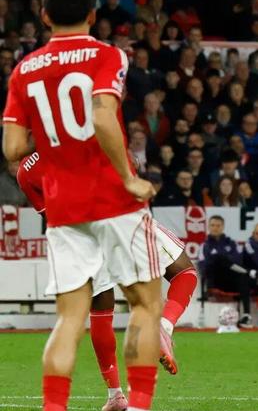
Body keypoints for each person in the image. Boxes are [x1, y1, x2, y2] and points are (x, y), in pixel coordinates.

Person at [2, 0, 171, 411]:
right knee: (145, 304)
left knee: (68, 318)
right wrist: (128, 177)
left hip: (62, 207)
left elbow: (13, 147)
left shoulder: (24, 69)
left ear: (44, 15)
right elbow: (101, 115)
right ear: (94, 15)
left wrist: (51, 144)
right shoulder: (107, 55)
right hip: (111, 200)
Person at [17, 150, 197, 394]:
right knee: (184, 272)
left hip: (83, 237)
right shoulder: (80, 134)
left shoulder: (25, 173)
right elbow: (130, 162)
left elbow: (52, 217)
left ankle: (115, 394)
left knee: (101, 311)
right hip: (122, 217)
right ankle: (164, 326)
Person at [199, 216, 253, 326]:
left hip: (231, 279)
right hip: (215, 281)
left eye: (218, 225)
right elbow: (203, 266)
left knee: (243, 277)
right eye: (213, 225)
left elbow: (238, 261)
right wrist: (220, 259)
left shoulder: (232, 243)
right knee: (218, 259)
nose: (215, 228)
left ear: (223, 227)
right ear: (208, 227)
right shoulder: (204, 245)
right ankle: (248, 272)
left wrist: (223, 260)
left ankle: (246, 316)